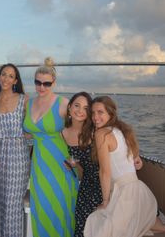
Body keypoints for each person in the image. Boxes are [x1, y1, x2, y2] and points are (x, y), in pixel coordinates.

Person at [84, 96, 165, 237]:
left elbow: (105, 172)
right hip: (136, 189)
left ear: (110, 114)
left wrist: (106, 202)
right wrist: (137, 160)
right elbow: (133, 159)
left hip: (124, 193)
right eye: (93, 113)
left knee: (96, 223)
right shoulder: (121, 130)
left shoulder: (101, 133)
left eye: (100, 112)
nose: (95, 117)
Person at [23, 60, 79, 237]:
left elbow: (80, 131)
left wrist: (74, 159)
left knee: (60, 208)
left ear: (54, 83)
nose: (42, 87)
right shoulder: (28, 103)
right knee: (42, 208)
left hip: (60, 164)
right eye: (38, 82)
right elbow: (29, 133)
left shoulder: (63, 104)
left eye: (46, 83)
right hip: (39, 164)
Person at [0, 63, 30, 237]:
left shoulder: (24, 99)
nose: (6, 78)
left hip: (18, 156)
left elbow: (32, 128)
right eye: (3, 74)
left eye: (10, 76)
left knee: (13, 206)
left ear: (15, 80)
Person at [61, 92, 101, 237]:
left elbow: (119, 135)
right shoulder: (63, 133)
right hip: (86, 184)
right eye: (77, 105)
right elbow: (79, 168)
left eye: (85, 108)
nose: (80, 111)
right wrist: (72, 164)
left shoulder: (94, 130)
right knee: (81, 225)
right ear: (70, 107)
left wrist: (134, 155)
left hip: (105, 180)